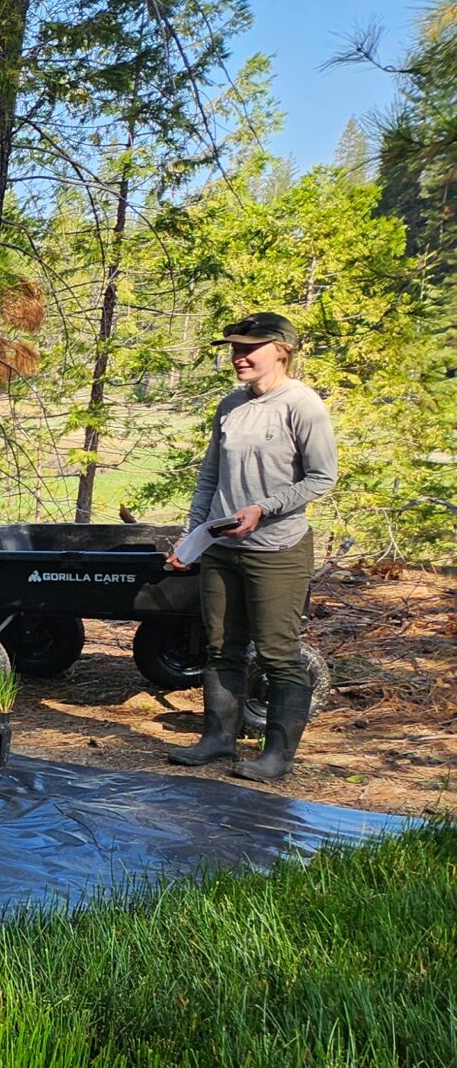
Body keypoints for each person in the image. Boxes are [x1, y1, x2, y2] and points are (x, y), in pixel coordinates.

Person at [165, 310, 337, 784]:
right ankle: (217, 740)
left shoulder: (302, 405)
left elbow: (322, 478)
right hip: (221, 547)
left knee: (278, 654)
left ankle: (277, 755)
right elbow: (209, 476)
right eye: (234, 349)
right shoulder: (231, 405)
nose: (238, 357)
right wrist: (193, 535)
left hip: (278, 549)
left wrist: (264, 508)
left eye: (248, 349)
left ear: (280, 350)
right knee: (221, 648)